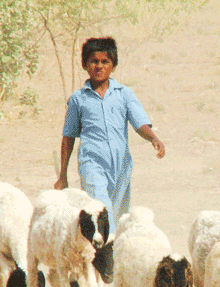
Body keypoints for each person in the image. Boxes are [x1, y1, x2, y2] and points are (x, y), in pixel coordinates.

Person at [56, 37, 165, 235]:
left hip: (121, 166)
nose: (99, 66)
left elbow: (139, 123)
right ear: (85, 65)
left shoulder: (124, 94)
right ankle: (103, 261)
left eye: (105, 61)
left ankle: (114, 262)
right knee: (101, 211)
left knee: (118, 217)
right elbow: (68, 137)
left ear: (113, 65)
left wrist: (153, 138)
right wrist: (63, 175)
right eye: (94, 61)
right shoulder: (78, 100)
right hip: (92, 164)